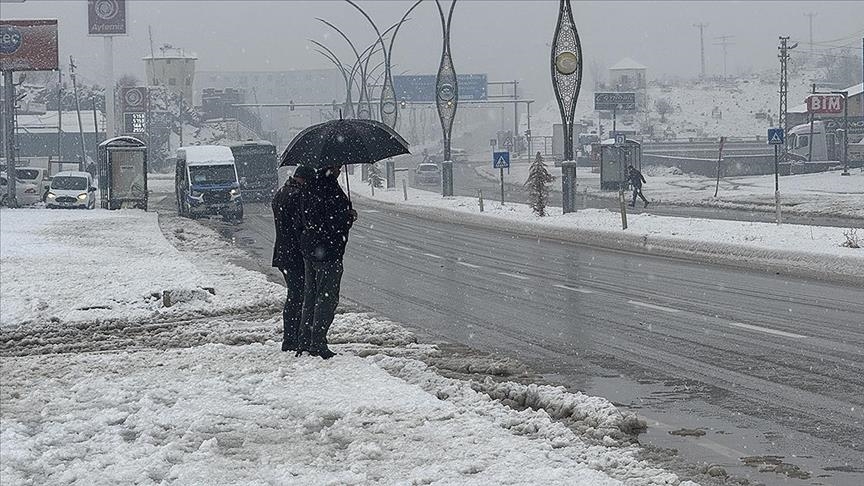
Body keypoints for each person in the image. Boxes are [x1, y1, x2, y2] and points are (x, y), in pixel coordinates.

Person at [297, 165, 357, 359]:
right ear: (329, 166)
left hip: (311, 250)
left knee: (311, 296)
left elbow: (308, 218)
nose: (340, 168)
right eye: (337, 165)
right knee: (326, 298)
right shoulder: (329, 188)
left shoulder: (310, 187)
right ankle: (318, 343)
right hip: (328, 252)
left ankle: (305, 340)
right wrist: (348, 217)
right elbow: (331, 222)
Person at [272, 165, 316, 352]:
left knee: (295, 295)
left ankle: (292, 336)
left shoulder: (281, 192)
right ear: (303, 180)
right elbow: (302, 226)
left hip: (284, 253)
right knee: (298, 296)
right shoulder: (297, 196)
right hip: (295, 254)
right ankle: (292, 338)